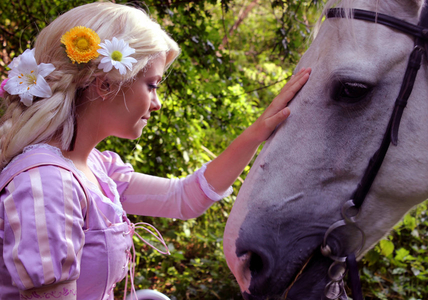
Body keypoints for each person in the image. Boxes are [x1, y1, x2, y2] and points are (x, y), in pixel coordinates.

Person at [0, 2, 311, 300]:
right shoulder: (48, 186)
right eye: (152, 85)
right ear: (105, 84)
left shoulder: (95, 168)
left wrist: (260, 130)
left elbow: (184, 198)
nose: (157, 102)